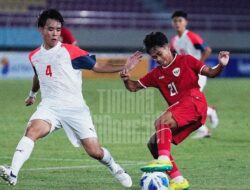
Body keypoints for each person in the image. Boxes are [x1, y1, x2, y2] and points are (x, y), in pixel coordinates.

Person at [0, 9, 141, 187]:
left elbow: (98, 66)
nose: (55, 33)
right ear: (41, 29)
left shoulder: (71, 51)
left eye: (58, 29)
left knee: (94, 151)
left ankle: (115, 167)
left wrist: (124, 66)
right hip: (49, 108)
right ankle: (12, 173)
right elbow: (38, 76)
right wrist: (32, 95)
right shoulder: (34, 56)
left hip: (75, 110)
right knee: (31, 131)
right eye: (50, 29)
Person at [120, 32, 230, 190]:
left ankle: (164, 159)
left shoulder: (186, 60)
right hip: (185, 114)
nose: (158, 58)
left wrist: (221, 65)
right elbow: (133, 87)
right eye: (154, 56)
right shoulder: (156, 74)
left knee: (160, 122)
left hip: (195, 102)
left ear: (167, 47)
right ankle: (179, 181)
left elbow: (211, 73)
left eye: (159, 53)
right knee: (153, 144)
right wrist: (126, 75)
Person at [171, 10, 219, 139]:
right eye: (175, 21)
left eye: (180, 20)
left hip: (198, 74)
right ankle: (209, 113)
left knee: (189, 102)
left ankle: (204, 129)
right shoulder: (174, 41)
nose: (177, 23)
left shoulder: (191, 36)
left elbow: (207, 49)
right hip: (185, 76)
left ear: (186, 22)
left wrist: (198, 65)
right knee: (186, 102)